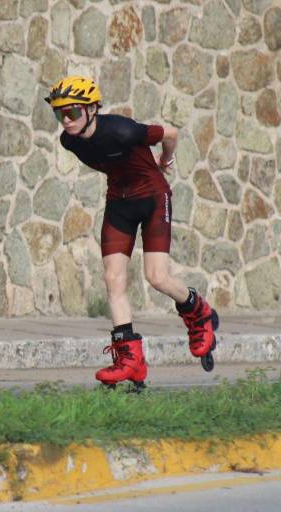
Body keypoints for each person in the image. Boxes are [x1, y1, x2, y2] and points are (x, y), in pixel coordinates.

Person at [45, 76, 219, 390]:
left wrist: (166, 159)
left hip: (152, 196)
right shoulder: (69, 141)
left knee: (157, 277)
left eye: (71, 113)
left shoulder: (122, 130)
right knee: (113, 279)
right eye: (59, 115)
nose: (65, 122)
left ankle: (199, 311)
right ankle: (130, 359)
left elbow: (170, 133)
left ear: (92, 109)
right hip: (119, 201)